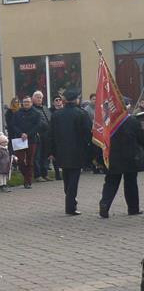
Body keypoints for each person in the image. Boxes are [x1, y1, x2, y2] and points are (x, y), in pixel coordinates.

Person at [47, 88, 93, 216]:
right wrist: (89, 149)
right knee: (73, 179)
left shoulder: (56, 115)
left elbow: (50, 134)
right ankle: (71, 206)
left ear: (65, 100)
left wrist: (51, 151)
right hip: (77, 151)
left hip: (61, 150)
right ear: (76, 99)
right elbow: (88, 133)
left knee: (67, 177)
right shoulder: (81, 114)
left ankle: (70, 199)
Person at [99, 107, 144, 217]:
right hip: (130, 157)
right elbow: (141, 139)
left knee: (111, 183)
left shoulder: (107, 122)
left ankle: (105, 205)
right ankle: (133, 208)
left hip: (112, 157)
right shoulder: (133, 121)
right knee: (131, 183)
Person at [11, 96, 44, 189]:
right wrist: (21, 133)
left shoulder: (36, 113)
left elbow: (38, 126)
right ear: (22, 103)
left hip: (31, 140)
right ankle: (26, 175)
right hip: (20, 139)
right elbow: (13, 125)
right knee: (20, 160)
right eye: (25, 102)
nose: (26, 103)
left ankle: (28, 181)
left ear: (31, 103)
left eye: (28, 102)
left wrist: (28, 134)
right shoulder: (17, 113)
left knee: (30, 161)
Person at [31, 90, 52, 182]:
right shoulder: (32, 109)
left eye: (41, 97)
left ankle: (45, 173)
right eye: (37, 97)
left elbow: (50, 119)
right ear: (33, 98)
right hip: (38, 134)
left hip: (47, 134)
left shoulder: (45, 108)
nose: (39, 99)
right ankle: (38, 175)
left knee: (45, 154)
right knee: (37, 155)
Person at [49, 96, 65, 181]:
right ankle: (57, 174)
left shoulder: (65, 110)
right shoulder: (50, 111)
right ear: (53, 102)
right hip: (55, 135)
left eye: (60, 100)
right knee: (55, 155)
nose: (58, 101)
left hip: (64, 135)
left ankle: (64, 172)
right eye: (56, 100)